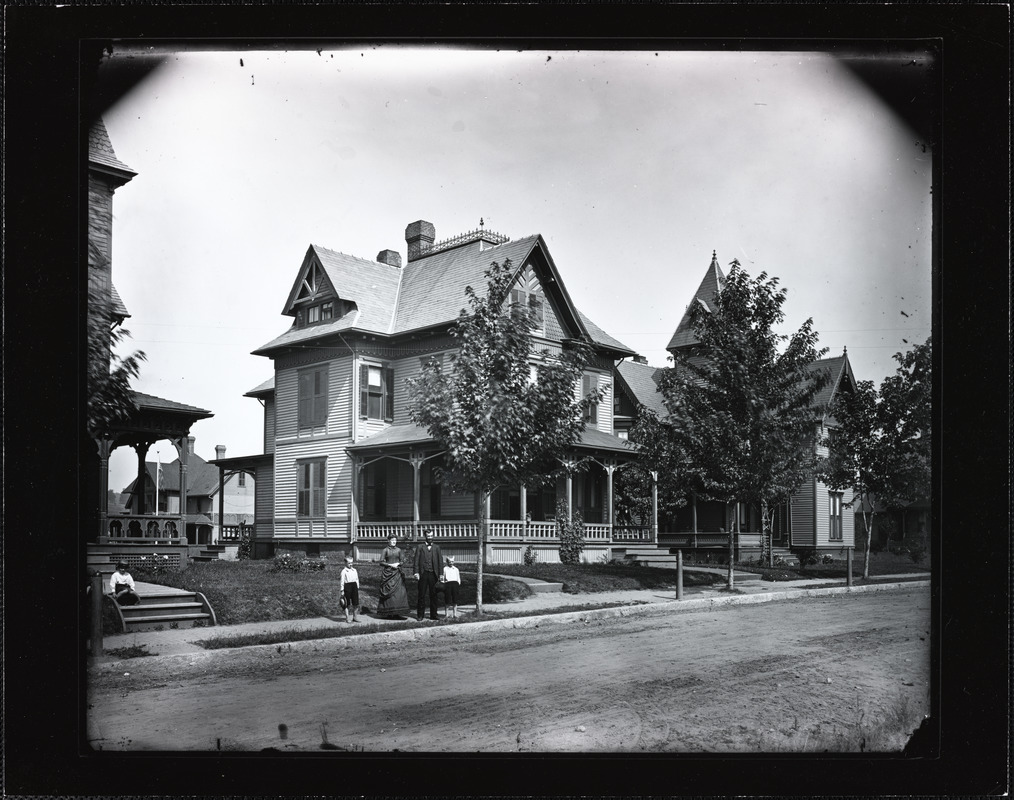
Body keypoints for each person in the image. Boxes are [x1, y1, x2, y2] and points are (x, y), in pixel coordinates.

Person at [413, 529, 444, 621]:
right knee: (421, 594)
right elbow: (416, 561)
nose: (430, 538)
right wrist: (416, 572)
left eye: (431, 536)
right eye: (428, 536)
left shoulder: (437, 547)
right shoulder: (420, 547)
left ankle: (433, 614)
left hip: (433, 574)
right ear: (425, 536)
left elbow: (440, 561)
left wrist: (441, 574)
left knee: (434, 595)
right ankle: (420, 615)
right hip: (423, 574)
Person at [377, 535, 410, 618]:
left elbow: (402, 561)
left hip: (397, 574)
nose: (394, 542)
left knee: (399, 593)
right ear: (388, 541)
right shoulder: (385, 550)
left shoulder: (399, 550)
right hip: (388, 574)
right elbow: (381, 562)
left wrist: (398, 564)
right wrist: (390, 565)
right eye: (392, 540)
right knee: (388, 593)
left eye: (395, 540)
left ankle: (397, 613)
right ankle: (388, 613)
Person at [339, 555, 361, 623]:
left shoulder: (354, 570)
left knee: (356, 603)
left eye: (351, 563)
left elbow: (357, 579)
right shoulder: (344, 571)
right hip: (347, 587)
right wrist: (342, 590)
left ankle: (355, 617)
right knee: (346, 604)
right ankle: (347, 618)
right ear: (345, 563)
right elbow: (342, 581)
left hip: (354, 586)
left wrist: (357, 587)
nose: (350, 564)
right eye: (349, 563)